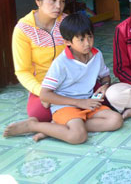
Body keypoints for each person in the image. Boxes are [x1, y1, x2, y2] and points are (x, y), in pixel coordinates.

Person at [4, 13, 123, 144]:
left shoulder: (96, 54)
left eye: (90, 37)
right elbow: (45, 95)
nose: (87, 43)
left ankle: (55, 128)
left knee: (116, 120)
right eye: (81, 39)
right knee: (78, 137)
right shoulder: (61, 63)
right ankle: (33, 126)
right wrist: (79, 103)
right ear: (67, 42)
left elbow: (105, 76)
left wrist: (105, 86)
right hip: (65, 106)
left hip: (88, 102)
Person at [11, 0, 67, 122]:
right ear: (38, 1)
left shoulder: (66, 22)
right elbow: (22, 71)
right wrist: (42, 92)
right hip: (43, 85)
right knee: (39, 113)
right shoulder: (23, 29)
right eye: (53, 0)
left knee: (102, 100)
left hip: (71, 80)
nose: (58, 6)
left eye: (62, 1)